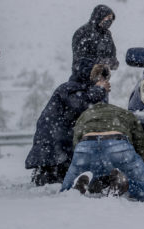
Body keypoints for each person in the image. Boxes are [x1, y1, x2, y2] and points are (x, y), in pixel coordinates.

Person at [61, 64, 144, 201]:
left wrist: (80, 161)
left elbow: (77, 140)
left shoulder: (86, 114)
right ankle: (124, 184)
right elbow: (140, 143)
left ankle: (78, 184)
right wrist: (140, 165)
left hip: (86, 146)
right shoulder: (125, 114)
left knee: (65, 191)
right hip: (118, 144)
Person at [24, 58, 109, 186]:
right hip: (54, 149)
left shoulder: (83, 90)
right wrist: (99, 90)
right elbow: (79, 105)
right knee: (52, 183)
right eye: (99, 77)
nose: (102, 82)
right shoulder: (70, 88)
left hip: (59, 149)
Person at [71, 5, 119, 73]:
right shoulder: (83, 33)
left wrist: (112, 63)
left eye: (111, 18)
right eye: (108, 17)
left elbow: (112, 56)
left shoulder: (106, 35)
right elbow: (80, 60)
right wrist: (100, 62)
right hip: (82, 78)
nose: (110, 21)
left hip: (101, 78)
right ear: (100, 16)